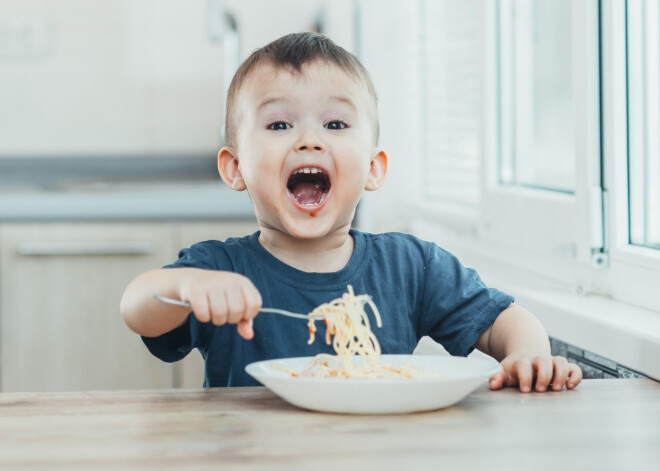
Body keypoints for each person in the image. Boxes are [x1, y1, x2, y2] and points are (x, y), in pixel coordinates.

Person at [120, 32, 582, 392]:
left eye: (336, 124)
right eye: (279, 124)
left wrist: (527, 354)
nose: (309, 140)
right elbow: (138, 307)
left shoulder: (411, 266)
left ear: (373, 168)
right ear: (236, 167)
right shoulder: (221, 269)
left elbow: (506, 320)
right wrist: (186, 285)